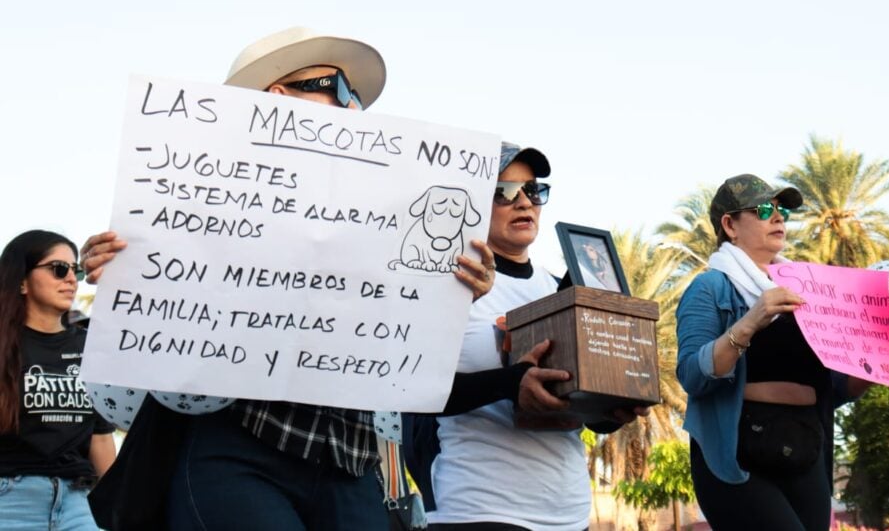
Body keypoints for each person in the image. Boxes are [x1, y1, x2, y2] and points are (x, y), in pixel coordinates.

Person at [83, 27, 495, 531]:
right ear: (279, 98)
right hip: (239, 447)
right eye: (337, 87)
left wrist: (453, 288)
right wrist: (125, 270)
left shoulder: (385, 213)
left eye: (357, 98)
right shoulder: (204, 197)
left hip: (349, 458)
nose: (352, 107)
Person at [675, 174, 889, 531]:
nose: (778, 217)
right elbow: (692, 375)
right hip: (739, 456)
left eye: (782, 211)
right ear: (729, 224)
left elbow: (836, 389)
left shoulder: (808, 288)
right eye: (765, 209)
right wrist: (750, 322)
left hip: (806, 449)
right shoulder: (710, 287)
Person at [422, 142, 646, 531]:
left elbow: (575, 402)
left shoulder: (558, 290)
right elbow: (413, 391)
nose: (525, 202)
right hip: (479, 509)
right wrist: (511, 383)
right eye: (505, 192)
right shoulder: (450, 284)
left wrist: (609, 411)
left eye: (534, 190)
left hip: (571, 513)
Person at [0, 230, 116, 531]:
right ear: (22, 281)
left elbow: (101, 437)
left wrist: (120, 508)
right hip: (10, 500)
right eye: (58, 269)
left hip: (78, 504)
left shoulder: (90, 346)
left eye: (74, 269)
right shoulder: (3, 347)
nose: (71, 279)